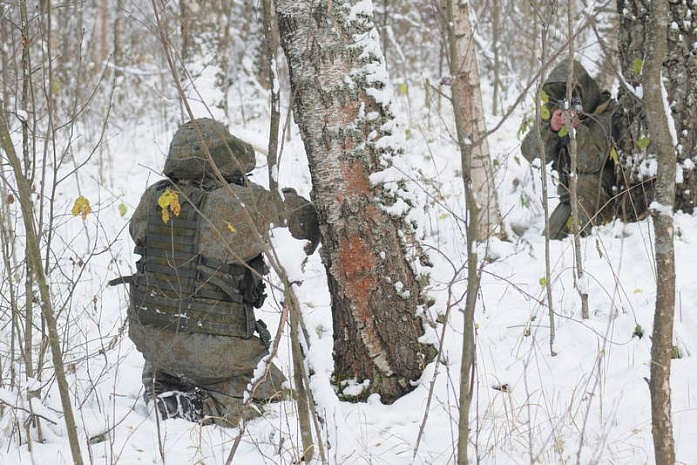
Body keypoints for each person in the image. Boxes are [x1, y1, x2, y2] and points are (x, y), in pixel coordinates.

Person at [115, 118, 318, 425]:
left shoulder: (155, 198)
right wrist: (286, 197)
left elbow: (139, 233)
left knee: (178, 354)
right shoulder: (241, 201)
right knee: (273, 391)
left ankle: (166, 385)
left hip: (151, 338)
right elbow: (303, 223)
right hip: (217, 349)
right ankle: (203, 407)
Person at [521, 60, 624, 239]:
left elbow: (590, 163)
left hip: (602, 195)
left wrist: (577, 130)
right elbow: (531, 153)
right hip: (570, 197)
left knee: (583, 188)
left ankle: (587, 247)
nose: (570, 104)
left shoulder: (605, 113)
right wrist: (551, 129)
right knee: (550, 241)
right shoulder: (555, 112)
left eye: (575, 98)